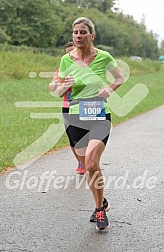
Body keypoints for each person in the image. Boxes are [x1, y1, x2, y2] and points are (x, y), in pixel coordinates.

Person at [57, 17, 124, 231]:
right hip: (75, 115)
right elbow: (59, 92)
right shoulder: (66, 60)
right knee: (87, 167)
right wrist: (64, 85)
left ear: (92, 36)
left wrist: (109, 89)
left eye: (83, 32)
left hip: (98, 115)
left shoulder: (103, 57)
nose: (78, 36)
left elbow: (119, 78)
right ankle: (102, 201)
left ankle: (99, 209)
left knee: (92, 163)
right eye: (75, 32)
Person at [48, 41, 84, 175]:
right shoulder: (61, 69)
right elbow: (52, 86)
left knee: (84, 136)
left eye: (72, 52)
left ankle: (88, 160)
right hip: (67, 107)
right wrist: (57, 83)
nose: (70, 55)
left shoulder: (85, 67)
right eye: (67, 52)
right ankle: (81, 162)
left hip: (83, 106)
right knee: (72, 138)